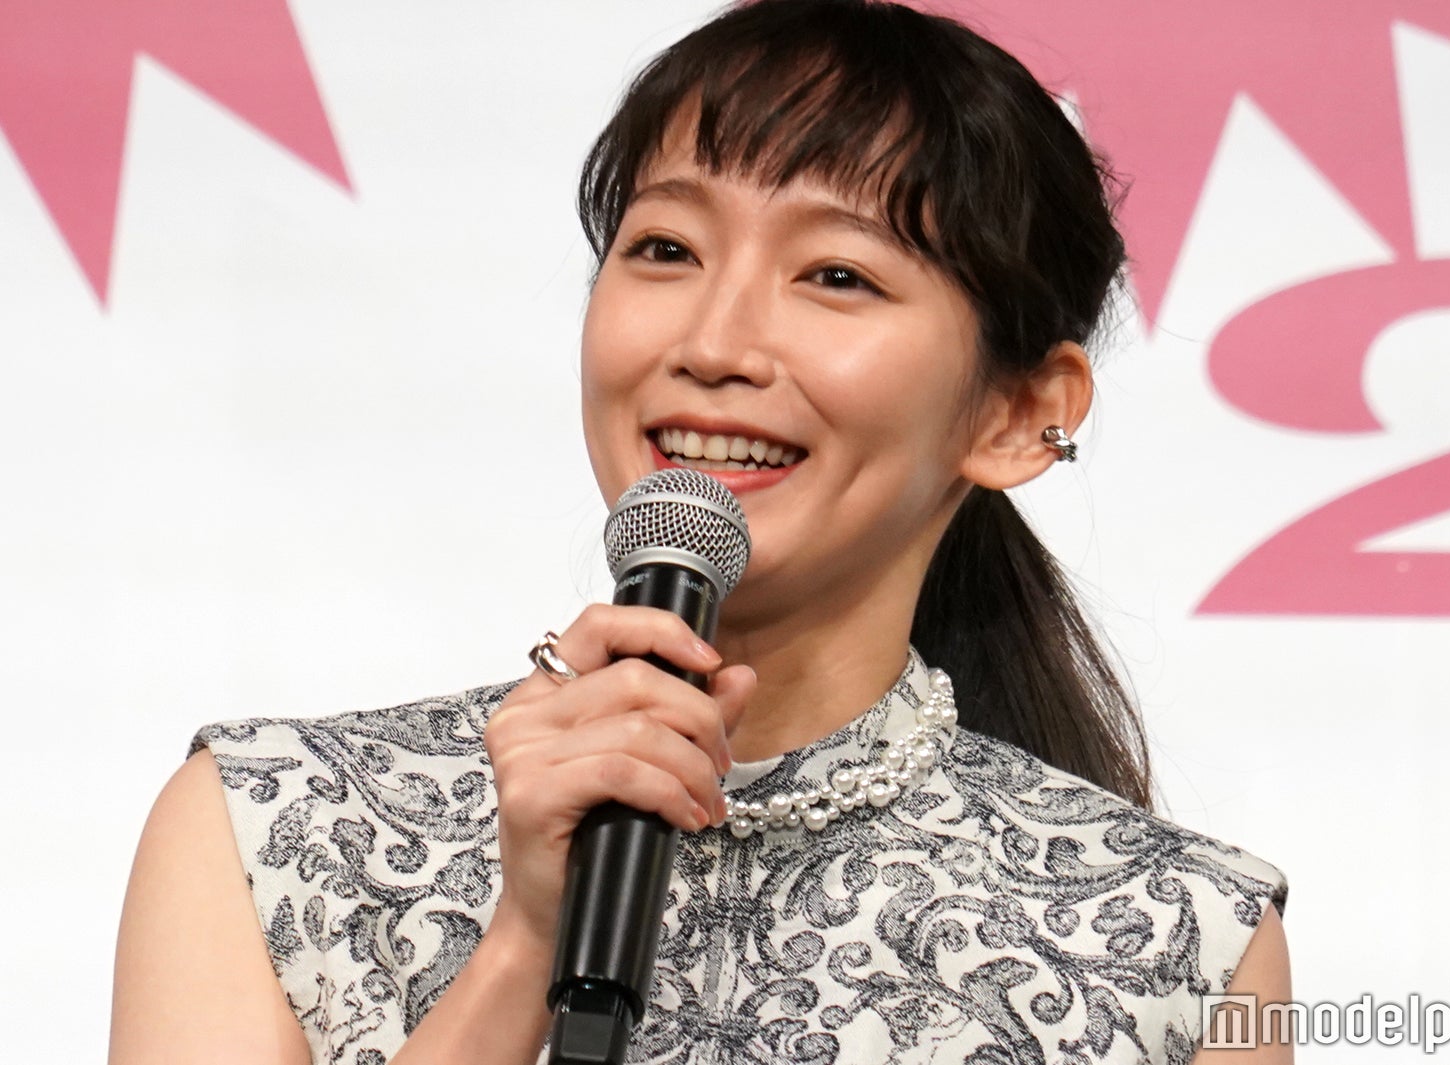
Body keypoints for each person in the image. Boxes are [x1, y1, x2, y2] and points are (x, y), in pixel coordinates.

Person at [110, 1, 1290, 1062]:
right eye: (666, 250)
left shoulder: (1180, 945)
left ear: (1021, 415)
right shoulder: (275, 828)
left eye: (836, 275)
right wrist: (523, 951)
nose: (714, 344)